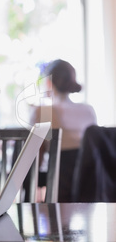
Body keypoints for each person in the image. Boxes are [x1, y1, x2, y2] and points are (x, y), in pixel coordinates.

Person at [30, 59, 97, 202]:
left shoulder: (43, 111)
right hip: (90, 188)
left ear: (49, 82)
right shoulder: (88, 110)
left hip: (59, 190)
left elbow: (35, 157)